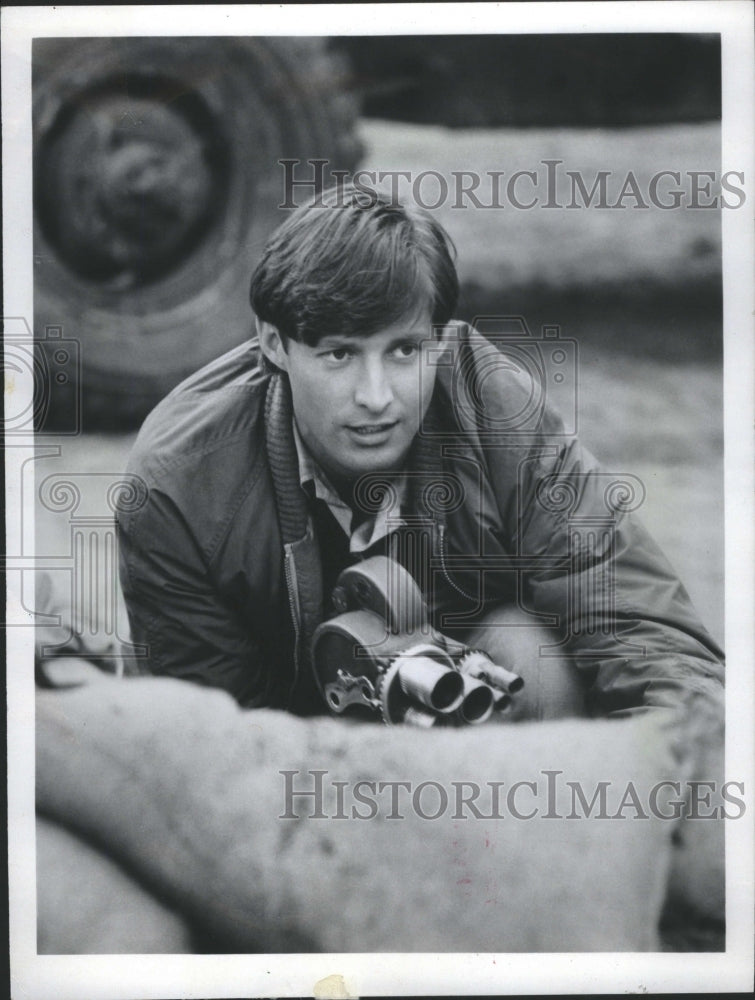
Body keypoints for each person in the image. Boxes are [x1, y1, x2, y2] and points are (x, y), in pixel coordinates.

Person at [117, 184, 724, 719]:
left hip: (460, 709)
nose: (377, 398)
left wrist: (679, 779)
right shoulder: (179, 483)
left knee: (530, 658)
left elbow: (629, 614)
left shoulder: (493, 405)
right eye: (340, 354)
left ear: (440, 337)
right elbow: (214, 728)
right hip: (287, 742)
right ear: (274, 343)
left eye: (405, 350)